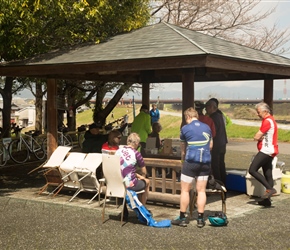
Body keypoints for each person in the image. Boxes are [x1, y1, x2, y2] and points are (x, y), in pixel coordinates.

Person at [171, 107, 212, 228]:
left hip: (191, 161)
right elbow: (211, 146)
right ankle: (200, 219)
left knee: (185, 190)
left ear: (188, 117)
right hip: (205, 161)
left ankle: (182, 219)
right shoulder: (207, 127)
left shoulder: (185, 128)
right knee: (201, 191)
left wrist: (183, 160)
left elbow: (183, 150)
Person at [248, 102, 278, 207]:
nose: (257, 114)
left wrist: (257, 137)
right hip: (271, 150)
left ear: (265, 111)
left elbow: (257, 136)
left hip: (266, 150)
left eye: (259, 112)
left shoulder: (267, 121)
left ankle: (270, 189)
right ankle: (267, 201)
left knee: (252, 170)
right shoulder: (271, 120)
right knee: (268, 173)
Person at [115, 133, 150, 206]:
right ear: (137, 143)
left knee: (137, 179)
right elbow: (144, 170)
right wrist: (142, 177)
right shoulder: (136, 153)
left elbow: (124, 168)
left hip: (117, 182)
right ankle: (142, 207)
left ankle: (124, 211)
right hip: (130, 184)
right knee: (147, 182)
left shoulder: (118, 151)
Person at [205, 99, 228, 185]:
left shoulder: (213, 118)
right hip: (223, 143)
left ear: (211, 107)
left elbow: (212, 132)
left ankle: (218, 184)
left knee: (215, 165)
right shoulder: (220, 115)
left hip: (216, 144)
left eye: (207, 107)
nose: (205, 109)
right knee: (221, 164)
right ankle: (224, 183)